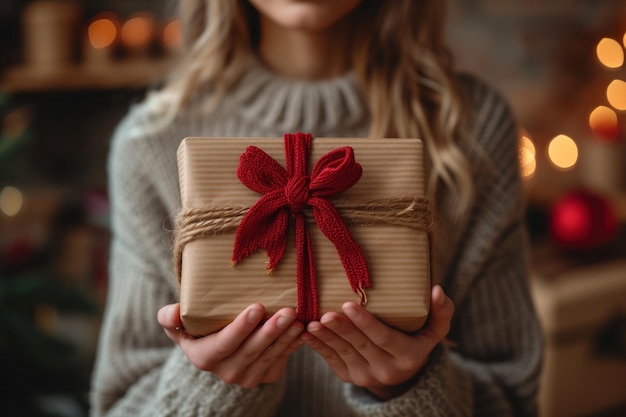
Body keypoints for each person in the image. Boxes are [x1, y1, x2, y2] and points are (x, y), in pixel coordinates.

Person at [89, 0, 543, 416]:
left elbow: (512, 399)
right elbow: (120, 406)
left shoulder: (471, 130)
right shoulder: (150, 143)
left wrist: (410, 388)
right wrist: (206, 388)